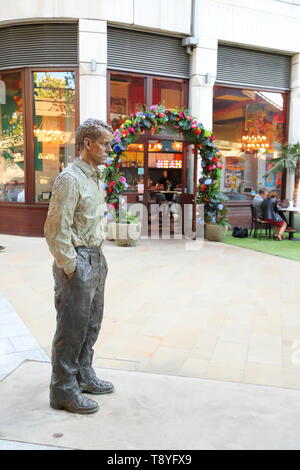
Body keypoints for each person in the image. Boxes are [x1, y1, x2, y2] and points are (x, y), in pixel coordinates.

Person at [44, 118, 114, 414]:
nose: (109, 149)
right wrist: (71, 267)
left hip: (96, 256)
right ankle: (63, 390)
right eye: (105, 144)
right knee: (71, 328)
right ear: (88, 143)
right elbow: (55, 229)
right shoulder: (70, 178)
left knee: (92, 322)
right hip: (78, 260)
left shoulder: (94, 177)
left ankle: (83, 374)